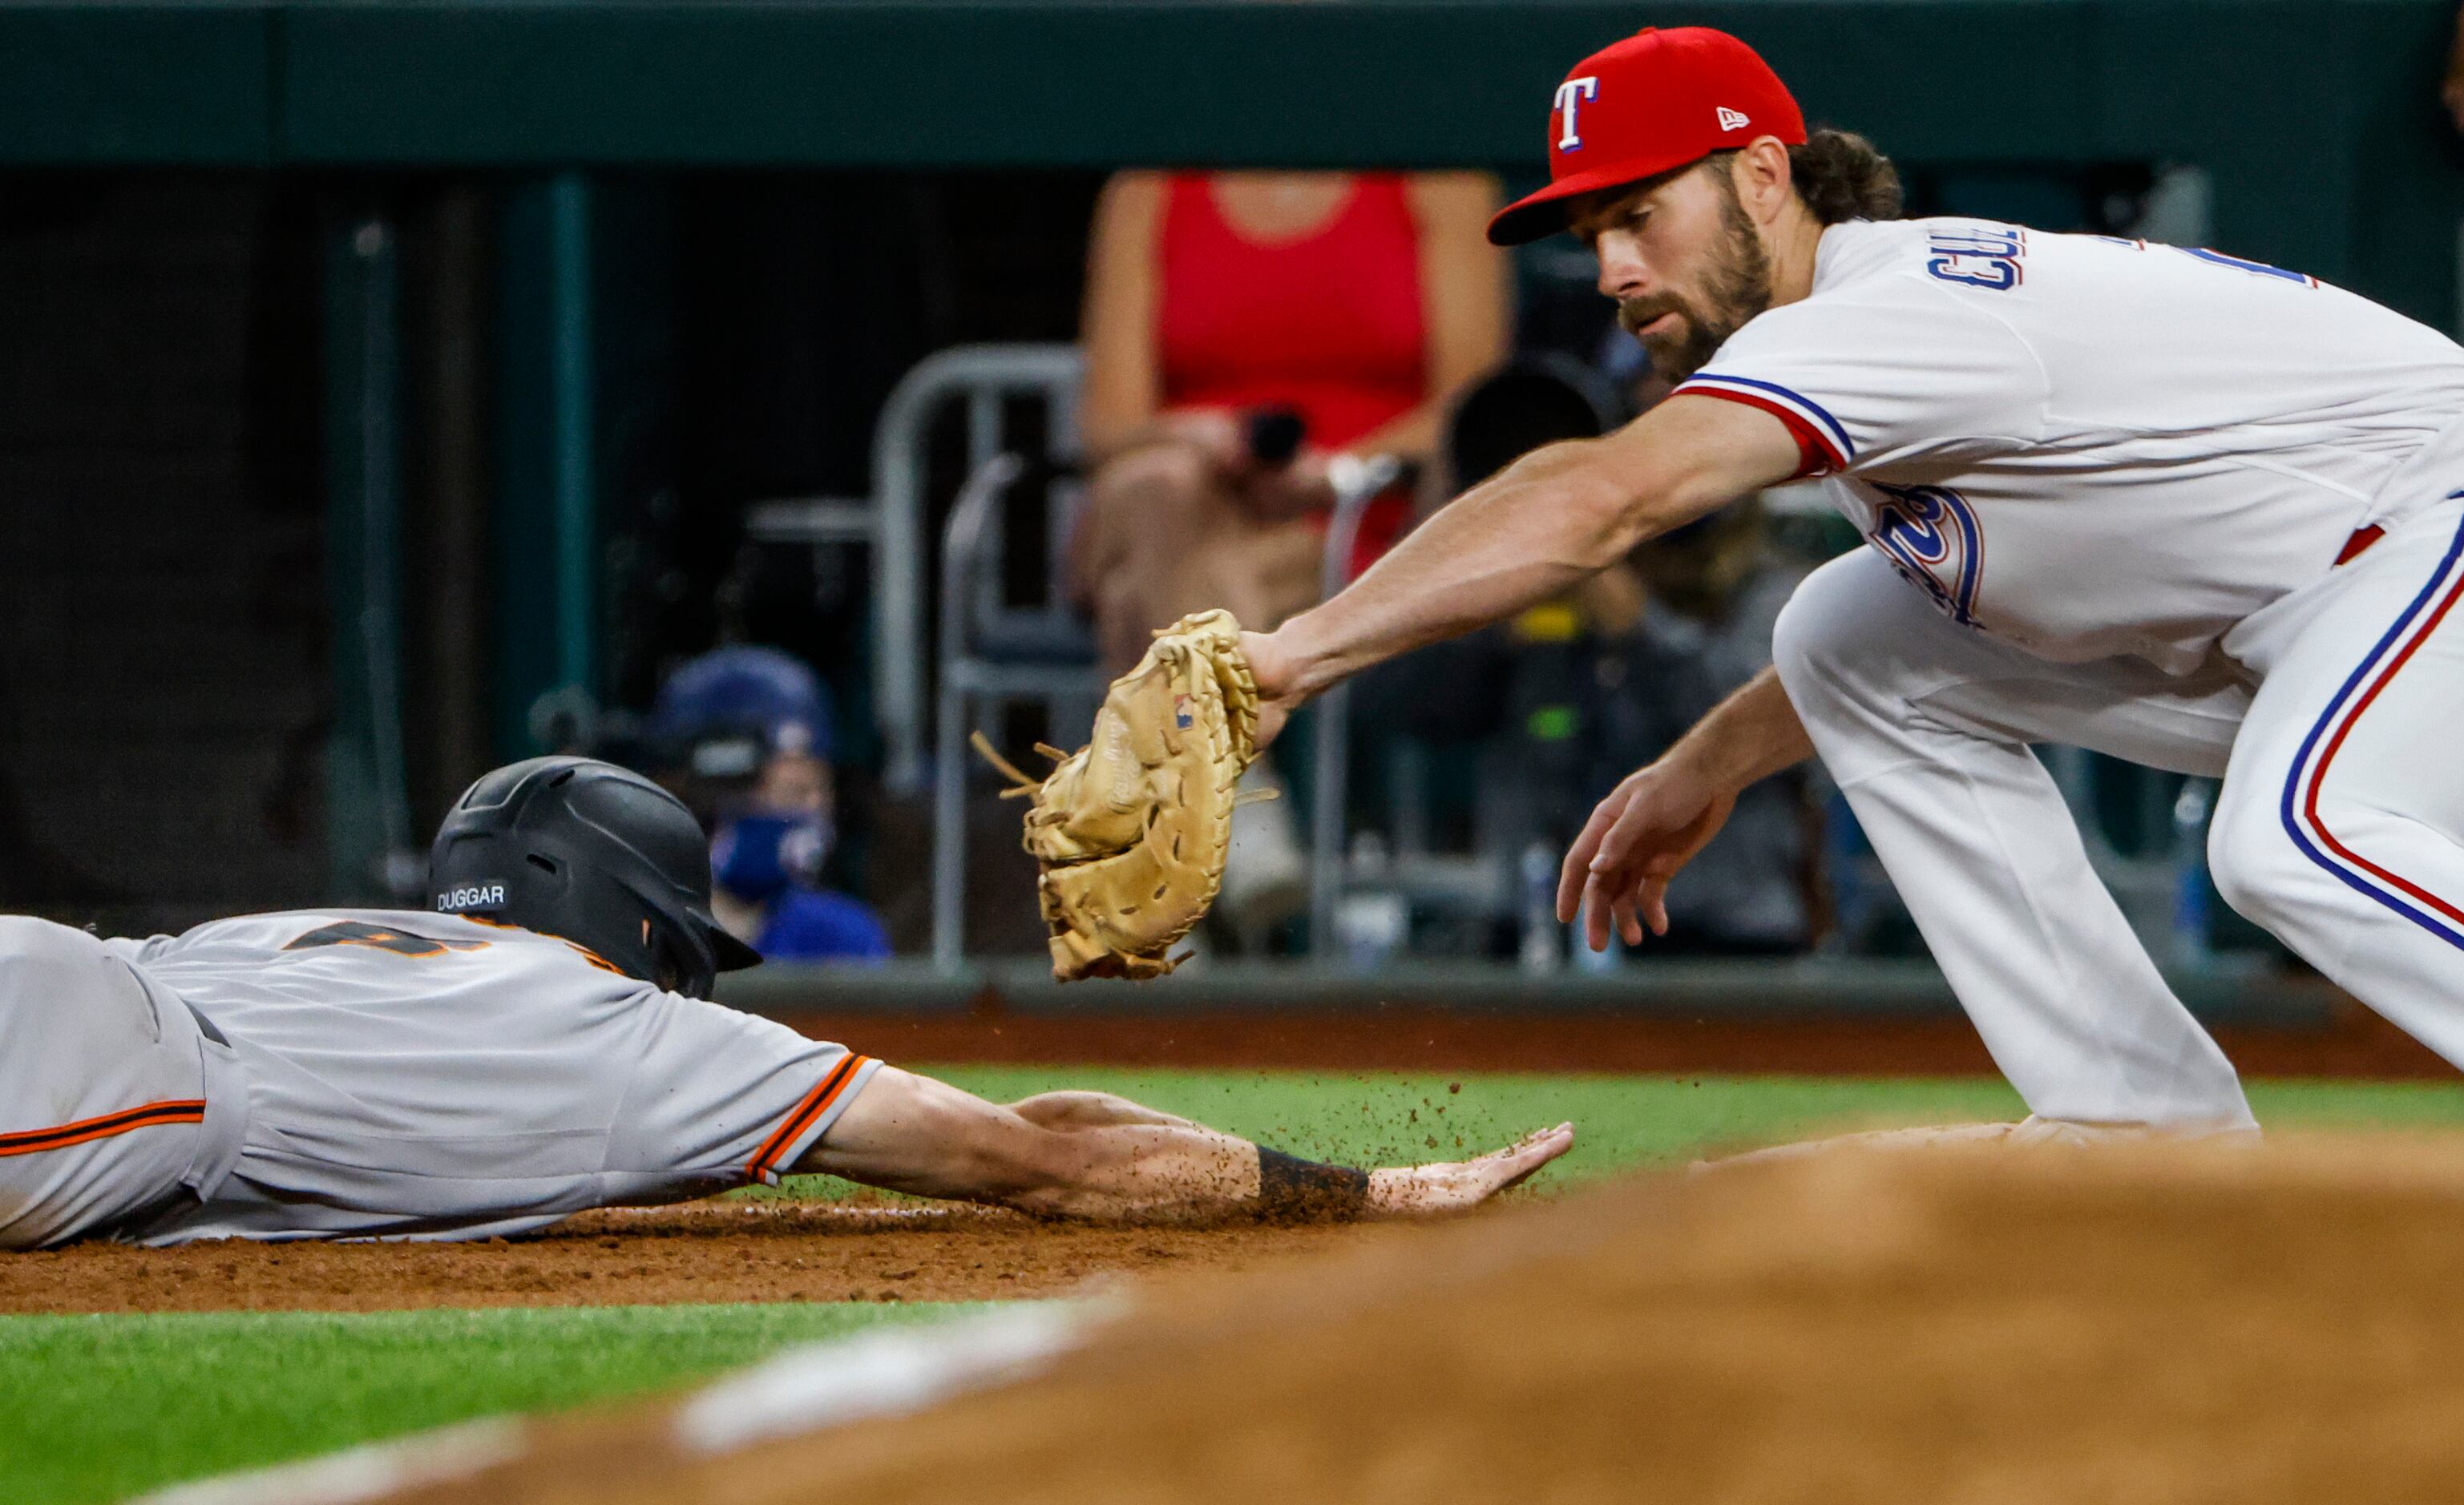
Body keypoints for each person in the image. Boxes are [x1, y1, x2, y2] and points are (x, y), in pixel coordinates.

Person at [1237, 26, 2464, 1148]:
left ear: (1759, 177)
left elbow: (1604, 495)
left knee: (2294, 839)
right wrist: (1704, 760)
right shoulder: (1852, 327)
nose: (1608, 268)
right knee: (1841, 631)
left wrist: (1284, 656)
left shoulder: (1888, 314)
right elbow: (1840, 631)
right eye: (1585, 234)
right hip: (2309, 601)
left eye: (1638, 214)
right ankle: (2136, 1118)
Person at [0, 757, 1569, 1249]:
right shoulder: (627, 1036)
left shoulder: (345, 947)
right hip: (106, 1079)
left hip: (80, 992)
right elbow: (1041, 1157)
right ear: (629, 917)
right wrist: (1365, 1192)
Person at [1069, 170, 1511, 672]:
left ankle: (1183, 743)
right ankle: (1226, 741)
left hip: (1358, 514)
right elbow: (1109, 423)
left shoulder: (1441, 182)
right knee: (1163, 484)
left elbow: (1470, 405)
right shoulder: (1148, 189)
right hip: (1184, 494)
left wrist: (1332, 473)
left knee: (1142, 592)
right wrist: (1200, 439)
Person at [645, 645, 890, 964]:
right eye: (793, 792)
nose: (812, 811)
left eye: (819, 791)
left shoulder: (840, 935)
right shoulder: (642, 933)